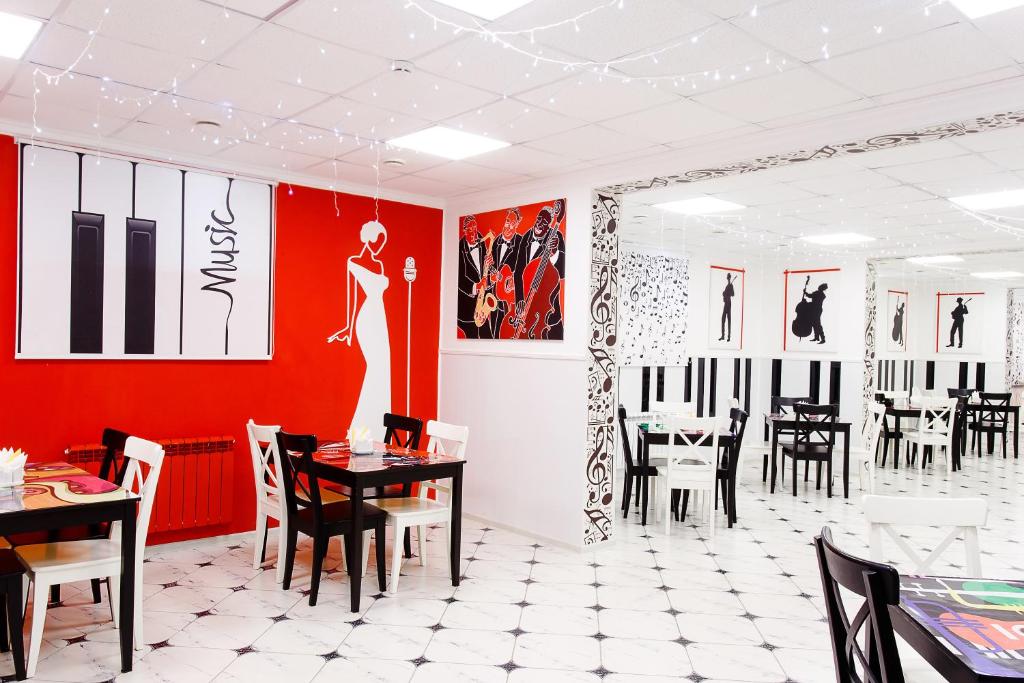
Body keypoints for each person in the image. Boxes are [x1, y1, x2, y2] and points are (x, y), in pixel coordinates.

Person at [327, 220, 391, 440]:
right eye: (378, 240)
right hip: (366, 318)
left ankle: (377, 428)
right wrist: (347, 326)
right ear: (369, 239)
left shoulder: (379, 265)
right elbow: (352, 296)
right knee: (375, 366)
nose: (380, 246)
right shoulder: (354, 262)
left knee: (382, 368)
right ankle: (363, 429)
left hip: (380, 318)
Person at [512, 204, 566, 339]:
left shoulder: (556, 236)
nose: (540, 223)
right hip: (527, 305)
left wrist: (554, 253)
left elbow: (562, 272)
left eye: (545, 222)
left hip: (548, 312)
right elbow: (518, 272)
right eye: (539, 218)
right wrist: (520, 299)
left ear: (549, 226)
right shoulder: (526, 237)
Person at [719, 272, 735, 342]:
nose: (728, 278)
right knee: (723, 319)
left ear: (730, 278)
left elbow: (733, 294)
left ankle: (729, 337)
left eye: (729, 277)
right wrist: (724, 293)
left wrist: (728, 293)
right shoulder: (727, 285)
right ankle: (723, 336)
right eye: (727, 277)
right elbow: (725, 294)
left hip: (728, 303)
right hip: (726, 303)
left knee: (729, 319)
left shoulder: (731, 285)